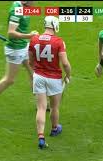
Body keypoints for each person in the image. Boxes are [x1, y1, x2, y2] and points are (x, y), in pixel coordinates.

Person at [0, 1, 39, 117]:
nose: (35, 2)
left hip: (24, 46)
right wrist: (29, 36)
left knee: (34, 74)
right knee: (9, 79)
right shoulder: (16, 10)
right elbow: (11, 33)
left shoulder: (26, 7)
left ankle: (41, 104)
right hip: (15, 49)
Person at [28, 16, 71, 149]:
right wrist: (68, 75)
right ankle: (54, 128)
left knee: (41, 107)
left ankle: (41, 136)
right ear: (55, 26)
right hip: (54, 78)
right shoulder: (59, 42)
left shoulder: (34, 39)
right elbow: (65, 63)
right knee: (54, 107)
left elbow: (30, 61)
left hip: (39, 76)